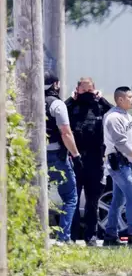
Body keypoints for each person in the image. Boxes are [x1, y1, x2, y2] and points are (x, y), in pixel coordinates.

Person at [66, 77, 113, 247]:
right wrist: (72, 98)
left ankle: (90, 236)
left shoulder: (99, 106)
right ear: (77, 89)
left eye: (89, 90)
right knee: (74, 199)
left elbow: (115, 113)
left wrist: (100, 98)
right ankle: (72, 235)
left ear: (94, 89)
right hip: (75, 159)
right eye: (83, 90)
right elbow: (60, 113)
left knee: (92, 202)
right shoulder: (71, 106)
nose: (86, 93)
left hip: (95, 159)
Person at [103, 86, 132, 246]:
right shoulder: (113, 118)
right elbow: (121, 143)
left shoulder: (128, 118)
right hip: (118, 163)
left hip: (127, 164)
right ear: (120, 99)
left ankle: (110, 235)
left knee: (118, 200)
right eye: (129, 97)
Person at [44, 71, 83, 244]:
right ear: (55, 85)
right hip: (56, 156)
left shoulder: (30, 101)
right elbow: (66, 133)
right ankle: (63, 238)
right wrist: (75, 154)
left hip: (34, 157)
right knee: (70, 197)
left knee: (36, 196)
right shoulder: (57, 104)